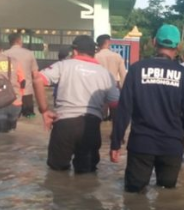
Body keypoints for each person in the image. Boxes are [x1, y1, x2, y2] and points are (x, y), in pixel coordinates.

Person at [110, 24, 184, 192]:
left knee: (133, 196)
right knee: (166, 197)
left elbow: (124, 109)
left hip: (141, 144)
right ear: (178, 46)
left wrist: (116, 143)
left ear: (154, 42)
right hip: (172, 146)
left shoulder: (137, 69)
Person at [32, 35, 120, 174]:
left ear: (75, 51)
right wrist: (116, 137)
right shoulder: (106, 74)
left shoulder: (63, 65)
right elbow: (116, 106)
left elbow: (37, 80)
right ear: (93, 53)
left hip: (64, 125)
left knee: (57, 173)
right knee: (87, 174)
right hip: (91, 126)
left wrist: (44, 110)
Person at [4, 32, 39, 119]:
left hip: (10, 92)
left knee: (11, 117)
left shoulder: (4, 54)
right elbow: (35, 74)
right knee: (30, 117)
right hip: (27, 91)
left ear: (10, 42)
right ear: (19, 41)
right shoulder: (29, 53)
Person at [95, 34, 128, 121]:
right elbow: (123, 75)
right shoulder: (117, 56)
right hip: (113, 86)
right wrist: (123, 88)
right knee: (115, 115)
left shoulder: (95, 57)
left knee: (99, 115)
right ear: (108, 42)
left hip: (98, 87)